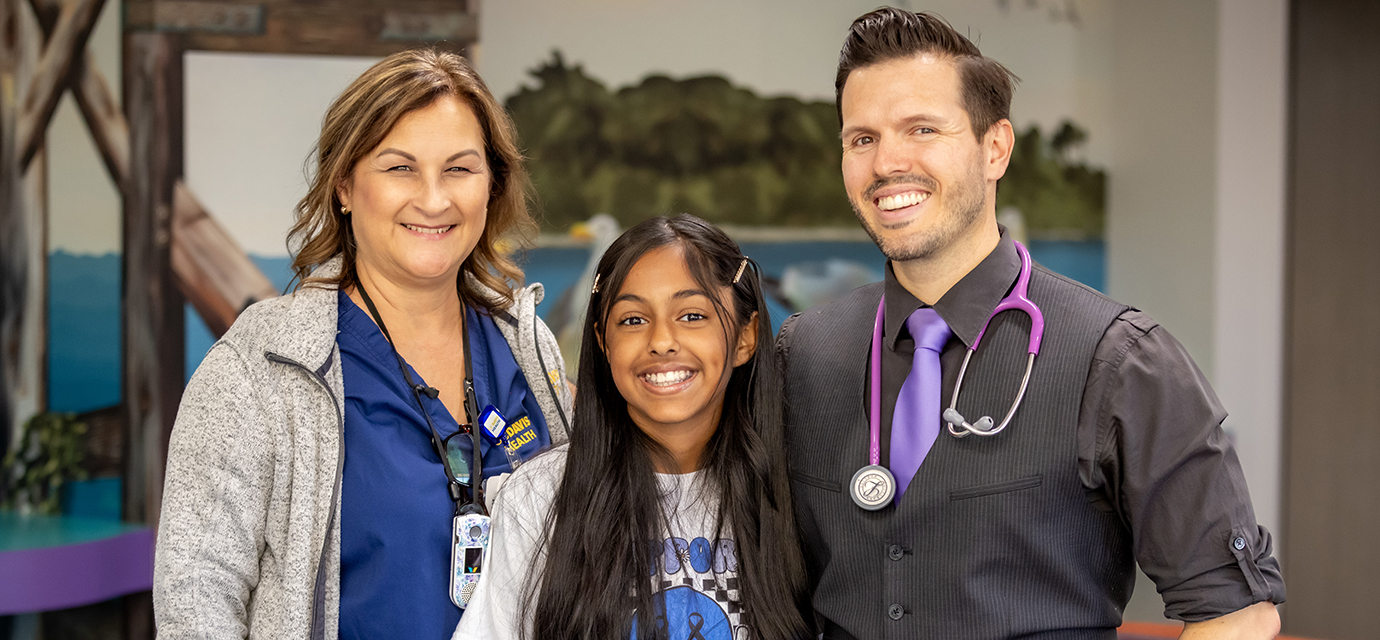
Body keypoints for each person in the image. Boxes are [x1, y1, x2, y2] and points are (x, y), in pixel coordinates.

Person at [778, 8, 1286, 639]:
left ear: (995, 148)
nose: (887, 163)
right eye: (862, 139)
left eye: (922, 129)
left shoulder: (1122, 362)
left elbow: (1239, 611)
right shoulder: (803, 354)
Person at [153, 49, 574, 639]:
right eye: (400, 168)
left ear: (491, 186)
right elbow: (195, 604)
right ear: (345, 185)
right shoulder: (261, 368)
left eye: (459, 168)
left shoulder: (529, 350)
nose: (433, 198)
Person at [453, 214, 813, 640]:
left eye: (692, 315)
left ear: (745, 337)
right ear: (604, 343)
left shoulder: (799, 491)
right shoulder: (540, 496)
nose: (661, 340)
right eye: (633, 320)